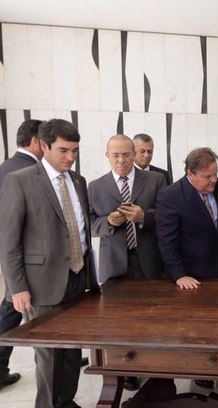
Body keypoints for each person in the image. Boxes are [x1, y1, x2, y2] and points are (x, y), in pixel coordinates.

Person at [0, 118, 99, 407]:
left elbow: (80, 228)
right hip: (41, 283)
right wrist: (17, 288)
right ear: (43, 146)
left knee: (71, 350)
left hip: (78, 277)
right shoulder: (20, 180)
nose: (70, 157)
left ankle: (65, 401)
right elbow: (9, 240)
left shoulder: (78, 180)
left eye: (75, 150)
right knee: (50, 354)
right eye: (63, 150)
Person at [0, 119, 43, 390]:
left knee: (12, 309)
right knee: (16, 309)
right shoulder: (27, 172)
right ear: (37, 141)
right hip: (26, 257)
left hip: (14, 255)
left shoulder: (6, 166)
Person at [89, 135, 167, 282]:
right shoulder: (95, 186)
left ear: (134, 154)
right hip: (113, 264)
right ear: (107, 155)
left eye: (126, 155)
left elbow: (168, 216)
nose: (121, 160)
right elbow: (89, 224)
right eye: (115, 155)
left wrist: (144, 217)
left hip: (150, 261)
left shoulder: (156, 179)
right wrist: (109, 222)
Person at [156, 147, 218, 289]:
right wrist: (179, 275)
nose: (214, 180)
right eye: (207, 176)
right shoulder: (171, 196)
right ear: (190, 173)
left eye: (216, 173)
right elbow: (167, 241)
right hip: (190, 275)